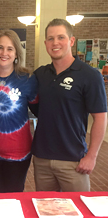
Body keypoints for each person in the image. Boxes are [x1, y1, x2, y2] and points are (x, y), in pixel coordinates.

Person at [32, 18, 107, 192]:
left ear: (71, 41)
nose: (55, 43)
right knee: (45, 210)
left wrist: (92, 156)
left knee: (77, 210)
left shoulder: (90, 76)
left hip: (73, 161)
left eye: (61, 37)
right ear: (45, 43)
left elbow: (100, 118)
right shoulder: (40, 75)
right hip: (42, 160)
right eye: (50, 39)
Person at [0, 29, 38, 193]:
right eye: (0, 48)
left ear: (17, 53)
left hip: (19, 154)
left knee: (14, 200)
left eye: (10, 49)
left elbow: (38, 109)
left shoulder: (27, 79)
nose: (4, 53)